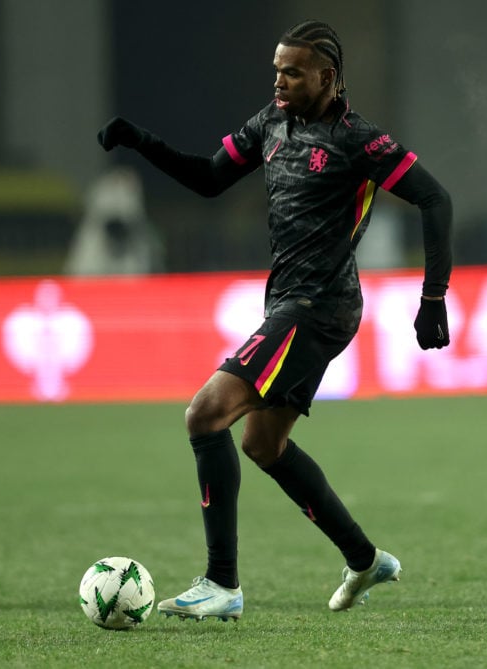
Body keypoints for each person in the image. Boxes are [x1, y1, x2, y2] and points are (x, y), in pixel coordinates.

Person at [97, 20, 452, 621]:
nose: (280, 80)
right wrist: (141, 140)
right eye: (277, 69)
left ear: (329, 76)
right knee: (263, 443)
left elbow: (434, 198)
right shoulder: (271, 122)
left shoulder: (357, 140)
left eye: (293, 71)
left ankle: (222, 583)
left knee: (205, 414)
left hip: (319, 306)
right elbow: (209, 178)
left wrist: (433, 296)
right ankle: (365, 560)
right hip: (287, 302)